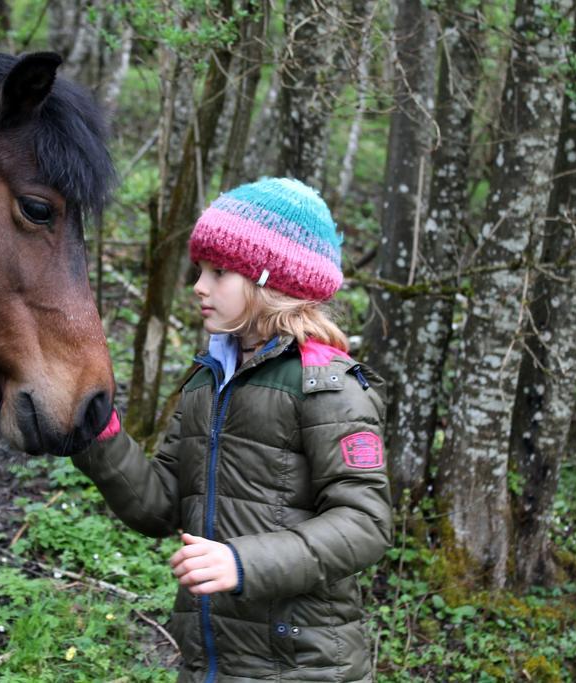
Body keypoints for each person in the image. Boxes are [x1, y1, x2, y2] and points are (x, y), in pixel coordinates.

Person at [72, 177, 392, 682]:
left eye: (219, 271)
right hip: (211, 662)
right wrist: (99, 438)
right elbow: (162, 506)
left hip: (300, 665)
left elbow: (365, 522)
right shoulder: (207, 381)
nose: (198, 286)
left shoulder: (327, 386)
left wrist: (243, 563)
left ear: (271, 281)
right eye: (200, 269)